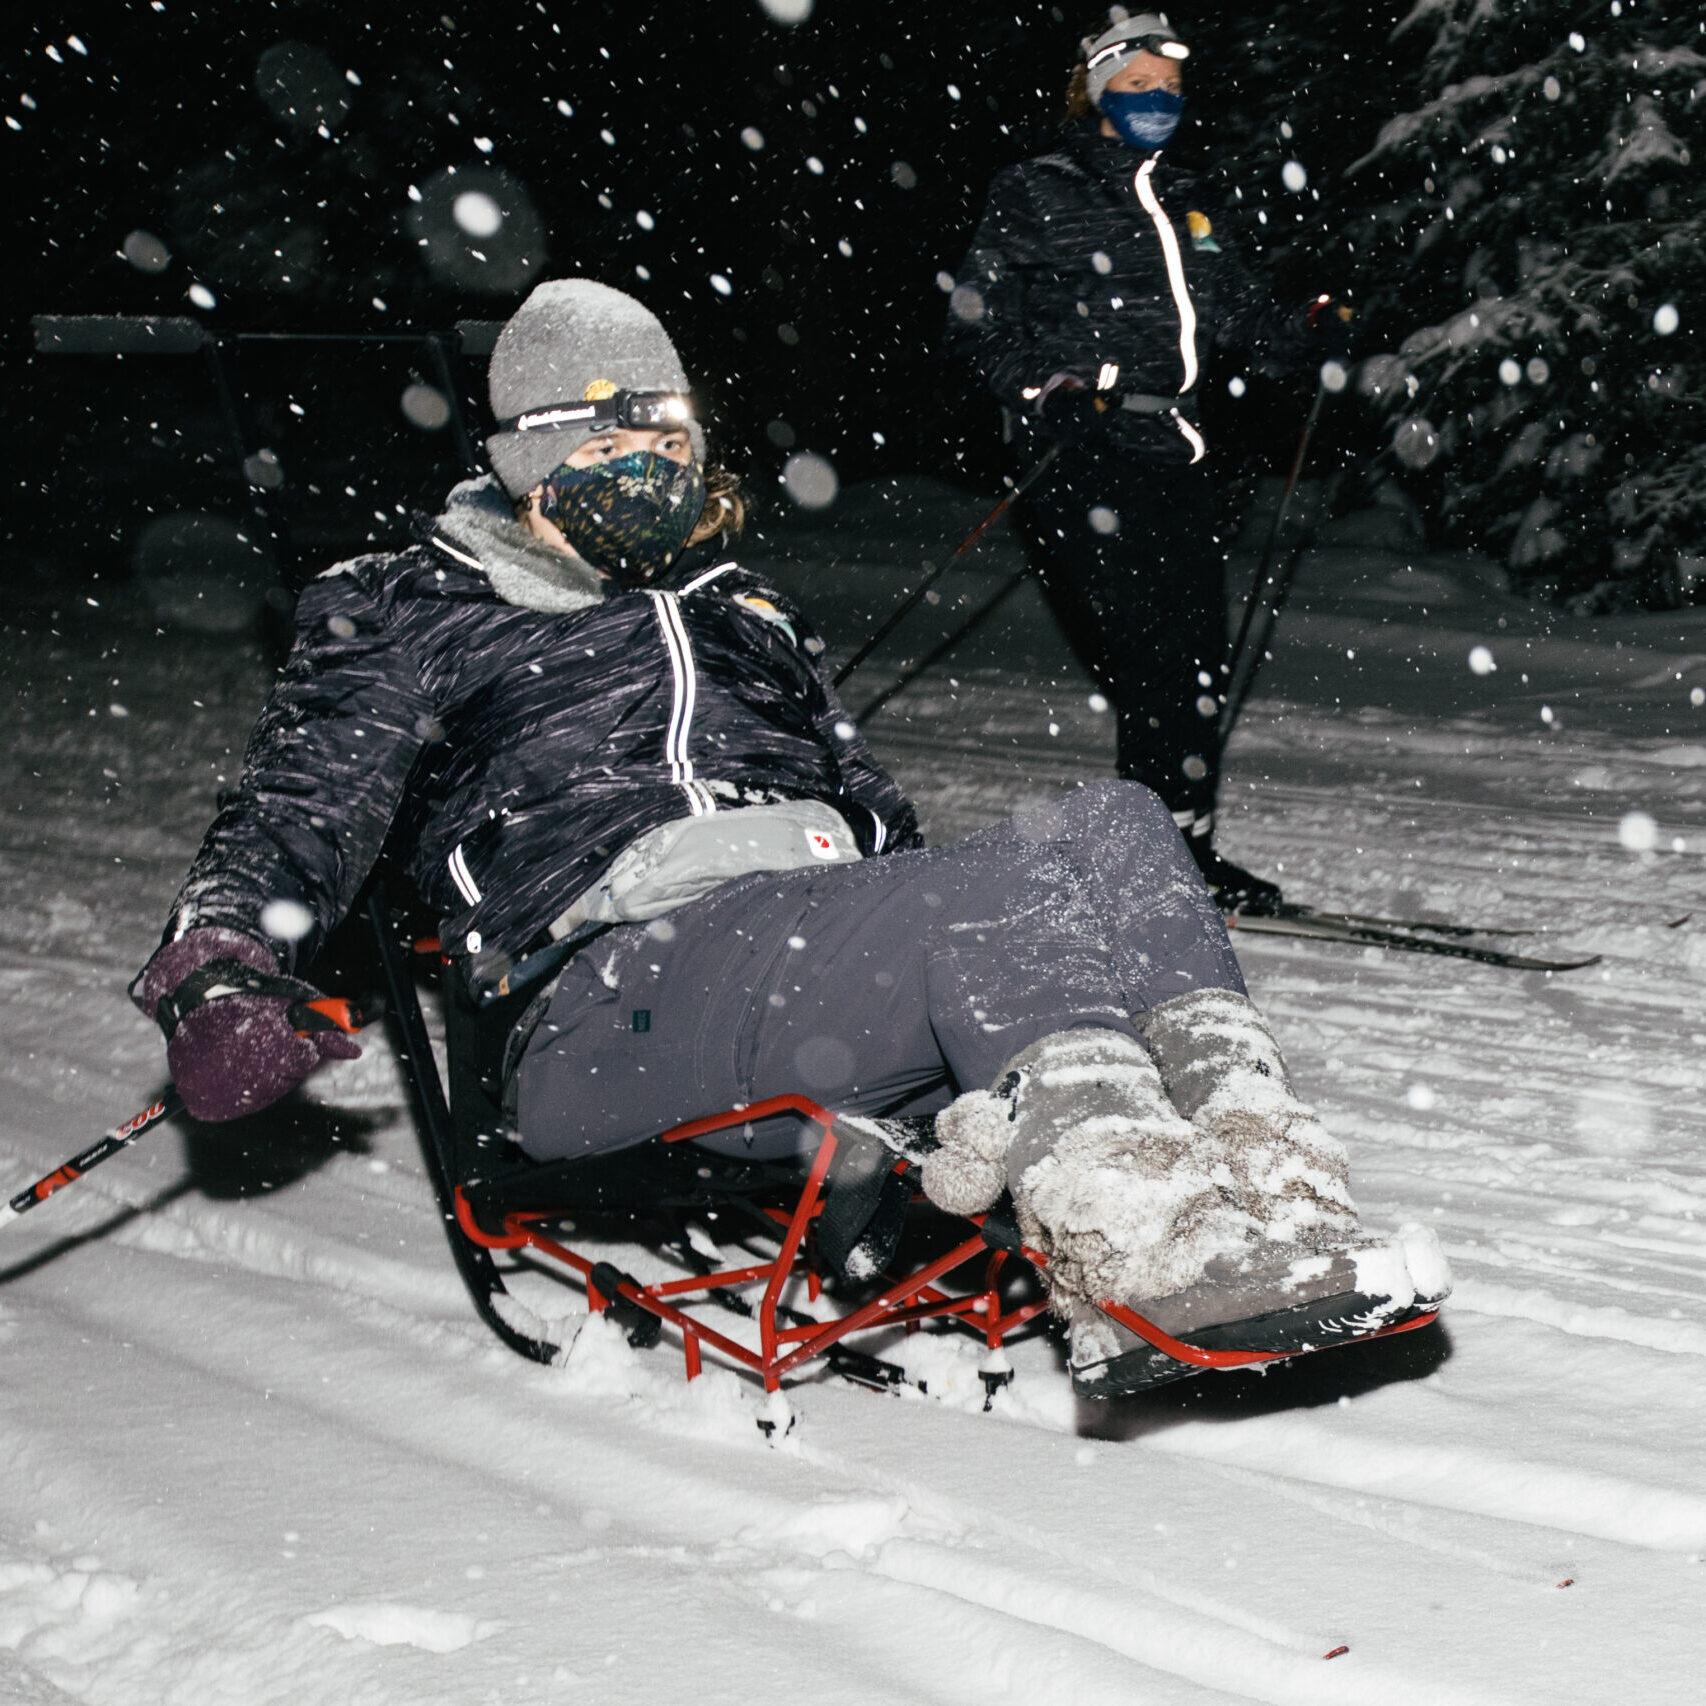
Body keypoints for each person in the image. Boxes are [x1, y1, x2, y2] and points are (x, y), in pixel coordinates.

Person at [130, 278, 1444, 1397]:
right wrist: (223, 963)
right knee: (964, 901)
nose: (646, 459)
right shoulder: (407, 605)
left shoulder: (741, 602)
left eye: (666, 427)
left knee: (1111, 823)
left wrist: (976, 1012)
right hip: (601, 999)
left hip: (796, 958)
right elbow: (302, 795)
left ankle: (1266, 1198)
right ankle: (1132, 1255)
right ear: (528, 448)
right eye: (605, 435)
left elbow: (881, 821)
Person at [945, 8, 1351, 914]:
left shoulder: (1190, 198)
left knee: (1194, 664)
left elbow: (1238, 317)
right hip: (1082, 454)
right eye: (1136, 89)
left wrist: (1306, 331)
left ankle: (1182, 852)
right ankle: (1148, 868)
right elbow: (974, 320)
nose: (1156, 104)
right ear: (1097, 94)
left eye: (1168, 92)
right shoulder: (1039, 189)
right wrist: (1045, 389)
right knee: (1154, 664)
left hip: (1176, 454)